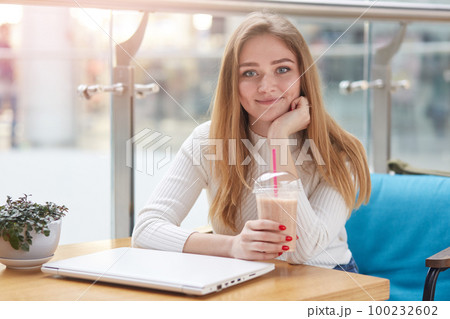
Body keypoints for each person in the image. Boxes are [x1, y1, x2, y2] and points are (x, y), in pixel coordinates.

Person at [132, 12, 371, 272]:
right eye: (249, 73)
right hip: (248, 278)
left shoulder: (340, 151)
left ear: (304, 75)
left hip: (327, 280)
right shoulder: (207, 141)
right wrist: (232, 246)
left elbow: (301, 250)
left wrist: (278, 138)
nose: (267, 86)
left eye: (282, 69)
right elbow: (146, 229)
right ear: (232, 83)